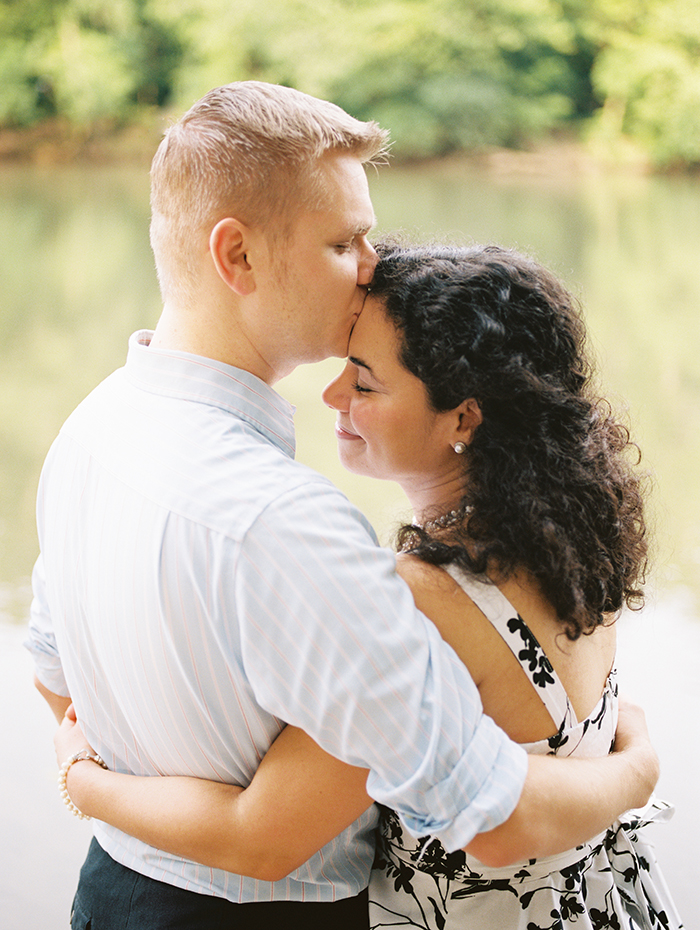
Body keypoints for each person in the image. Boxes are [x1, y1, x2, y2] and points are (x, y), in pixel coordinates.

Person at [28, 81, 659, 930]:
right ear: (238, 257)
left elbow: (54, 673)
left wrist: (96, 776)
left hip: (109, 897)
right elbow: (490, 814)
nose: (372, 265)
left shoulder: (89, 427)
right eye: (345, 241)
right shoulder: (288, 524)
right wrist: (639, 774)